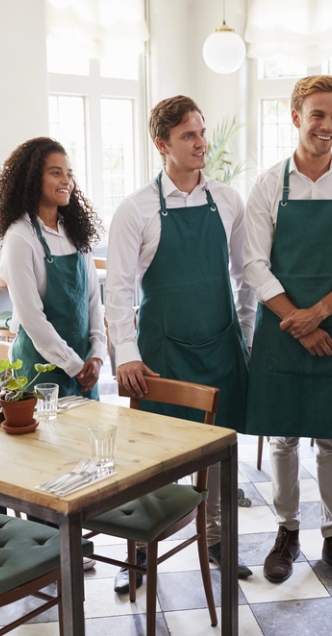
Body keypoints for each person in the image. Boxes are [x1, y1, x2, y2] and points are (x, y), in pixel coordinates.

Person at [106, 94, 255, 592]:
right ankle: (142, 551)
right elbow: (119, 289)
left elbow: (245, 276)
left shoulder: (228, 200)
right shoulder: (137, 210)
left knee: (220, 452)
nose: (201, 143)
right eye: (189, 135)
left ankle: (218, 540)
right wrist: (125, 354)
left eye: (202, 132)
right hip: (161, 354)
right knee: (155, 456)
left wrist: (247, 337)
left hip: (221, 347)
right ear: (161, 144)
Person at [244, 75, 332, 589]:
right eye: (319, 115)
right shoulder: (267, 185)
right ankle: (286, 533)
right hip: (284, 329)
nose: (328, 126)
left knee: (331, 441)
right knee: (283, 439)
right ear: (296, 115)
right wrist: (298, 324)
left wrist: (318, 313)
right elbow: (254, 265)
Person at [0, 137, 106, 400]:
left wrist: (97, 354)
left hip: (84, 370)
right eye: (56, 173)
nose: (66, 181)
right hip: (38, 372)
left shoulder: (75, 233)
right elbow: (32, 318)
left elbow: (93, 301)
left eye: (69, 174)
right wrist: (75, 365)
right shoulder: (20, 238)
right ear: (31, 178)